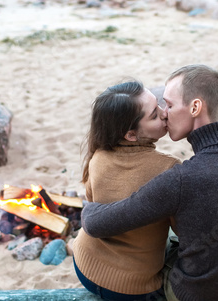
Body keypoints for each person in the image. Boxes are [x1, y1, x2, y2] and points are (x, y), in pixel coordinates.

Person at [82, 64, 218, 301]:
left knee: (167, 242)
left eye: (168, 104)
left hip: (198, 295)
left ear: (195, 107)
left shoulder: (180, 178)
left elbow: (96, 224)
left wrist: (87, 207)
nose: (165, 113)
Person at [73, 81, 180, 301]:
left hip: (84, 266)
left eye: (160, 105)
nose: (164, 114)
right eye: (154, 115)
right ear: (131, 135)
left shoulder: (98, 156)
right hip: (133, 289)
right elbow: (182, 228)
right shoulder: (169, 169)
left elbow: (93, 202)